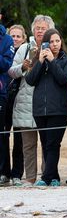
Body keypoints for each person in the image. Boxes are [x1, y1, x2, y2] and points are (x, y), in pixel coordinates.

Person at [8, 15, 54, 184]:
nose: (40, 30)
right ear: (33, 30)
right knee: (28, 145)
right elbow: (11, 71)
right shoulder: (25, 48)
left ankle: (46, 177)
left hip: (46, 102)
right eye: (37, 28)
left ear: (49, 29)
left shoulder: (54, 47)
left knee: (47, 143)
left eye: (43, 28)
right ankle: (30, 178)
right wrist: (22, 67)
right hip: (25, 103)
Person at [25, 29, 67, 186]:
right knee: (46, 144)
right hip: (40, 110)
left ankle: (46, 178)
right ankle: (54, 177)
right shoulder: (38, 60)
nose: (54, 44)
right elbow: (30, 80)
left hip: (58, 110)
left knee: (53, 143)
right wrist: (39, 62)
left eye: (57, 41)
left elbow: (63, 78)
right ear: (45, 43)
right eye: (51, 42)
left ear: (61, 42)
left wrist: (52, 61)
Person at [2, 24, 26, 185]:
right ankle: (4, 172)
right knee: (3, 135)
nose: (16, 38)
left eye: (19, 36)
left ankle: (17, 172)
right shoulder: (4, 50)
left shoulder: (26, 52)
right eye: (14, 35)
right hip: (5, 97)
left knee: (19, 137)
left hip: (20, 99)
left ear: (23, 38)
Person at [0, 10, 16, 185]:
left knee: (1, 134)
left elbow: (5, 64)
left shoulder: (7, 39)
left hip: (0, 93)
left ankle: (3, 173)